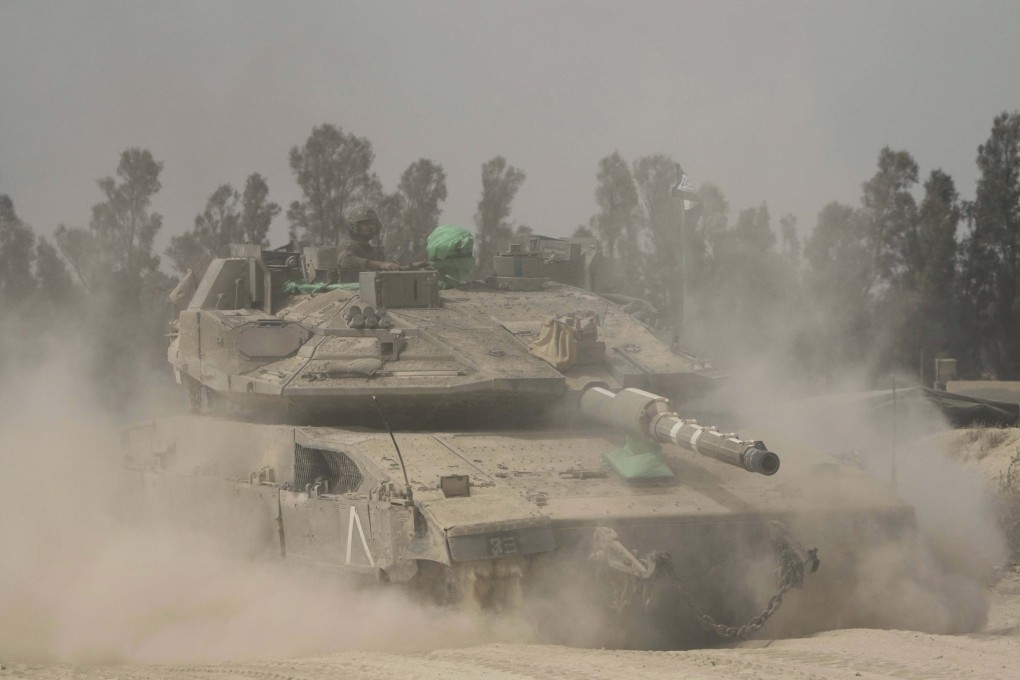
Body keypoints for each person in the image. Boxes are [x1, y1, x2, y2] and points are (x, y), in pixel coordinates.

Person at [338, 207, 402, 272]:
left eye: (373, 224)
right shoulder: (347, 245)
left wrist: (403, 267)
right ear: (354, 226)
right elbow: (346, 261)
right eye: (366, 224)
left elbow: (387, 263)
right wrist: (380, 264)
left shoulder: (372, 251)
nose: (371, 227)